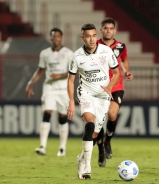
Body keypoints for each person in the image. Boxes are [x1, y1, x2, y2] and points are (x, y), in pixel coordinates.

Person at [67, 23, 120, 179]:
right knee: (89, 125)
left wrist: (110, 87)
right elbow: (70, 80)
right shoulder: (76, 56)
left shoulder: (106, 51)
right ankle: (87, 167)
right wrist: (71, 101)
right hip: (86, 94)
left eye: (94, 35)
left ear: (97, 36)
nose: (91, 39)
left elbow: (116, 73)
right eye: (88, 36)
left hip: (103, 96)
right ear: (82, 37)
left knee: (95, 134)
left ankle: (81, 159)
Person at [26, 28, 73, 157]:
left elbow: (72, 72)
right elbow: (41, 70)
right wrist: (31, 83)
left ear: (61, 38)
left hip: (63, 89)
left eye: (58, 36)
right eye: (53, 36)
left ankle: (62, 148)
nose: (55, 38)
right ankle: (42, 146)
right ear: (51, 38)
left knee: (62, 117)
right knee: (47, 112)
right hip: (49, 88)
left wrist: (60, 75)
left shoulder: (69, 53)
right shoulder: (45, 53)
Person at [96, 17, 134, 167]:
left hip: (116, 86)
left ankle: (107, 141)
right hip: (99, 87)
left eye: (111, 28)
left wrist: (127, 71)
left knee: (112, 114)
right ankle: (100, 151)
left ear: (115, 30)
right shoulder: (95, 45)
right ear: (101, 30)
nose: (108, 31)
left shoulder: (121, 46)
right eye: (105, 28)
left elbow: (124, 60)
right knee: (98, 121)